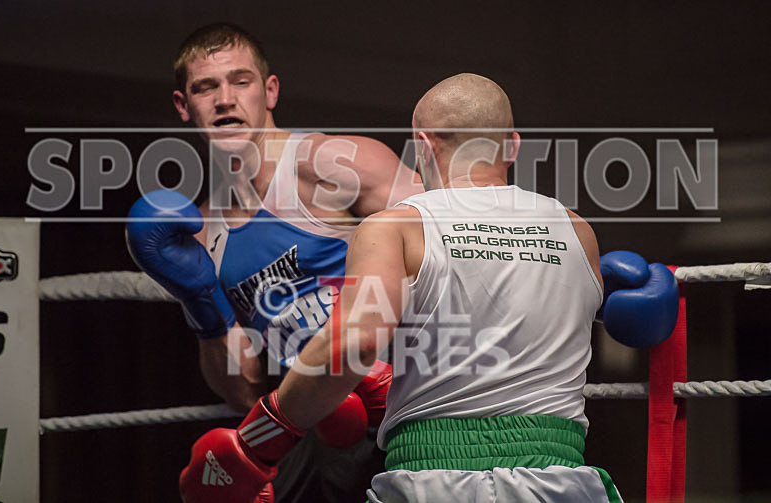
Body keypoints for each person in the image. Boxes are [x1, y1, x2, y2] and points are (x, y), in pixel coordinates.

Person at [177, 73, 679, 502]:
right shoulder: (576, 230)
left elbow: (355, 343)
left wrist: (258, 439)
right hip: (562, 480)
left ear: (421, 145)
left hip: (433, 479)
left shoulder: (393, 228)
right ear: (513, 145)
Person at [126, 23, 422, 502]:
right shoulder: (200, 230)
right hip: (307, 422)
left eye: (240, 81)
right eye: (207, 87)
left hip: (405, 397)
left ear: (269, 91)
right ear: (184, 105)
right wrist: (201, 305)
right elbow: (241, 391)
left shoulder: (333, 165)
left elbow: (452, 241)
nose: (225, 99)